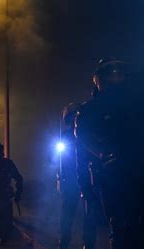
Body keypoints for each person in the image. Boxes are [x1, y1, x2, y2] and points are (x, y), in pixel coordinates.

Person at [75, 58, 144, 249]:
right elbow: (83, 140)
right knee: (119, 227)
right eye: (110, 74)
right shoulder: (90, 110)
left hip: (136, 173)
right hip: (109, 175)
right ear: (98, 79)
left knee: (139, 227)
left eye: (118, 74)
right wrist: (100, 157)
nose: (114, 78)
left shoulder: (134, 105)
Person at [58, 102, 102, 249]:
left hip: (86, 177)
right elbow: (60, 160)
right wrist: (60, 178)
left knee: (89, 214)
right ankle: (63, 243)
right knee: (68, 214)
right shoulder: (65, 136)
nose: (74, 119)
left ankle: (89, 244)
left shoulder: (88, 134)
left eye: (76, 116)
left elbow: (95, 155)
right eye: (71, 116)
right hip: (71, 180)